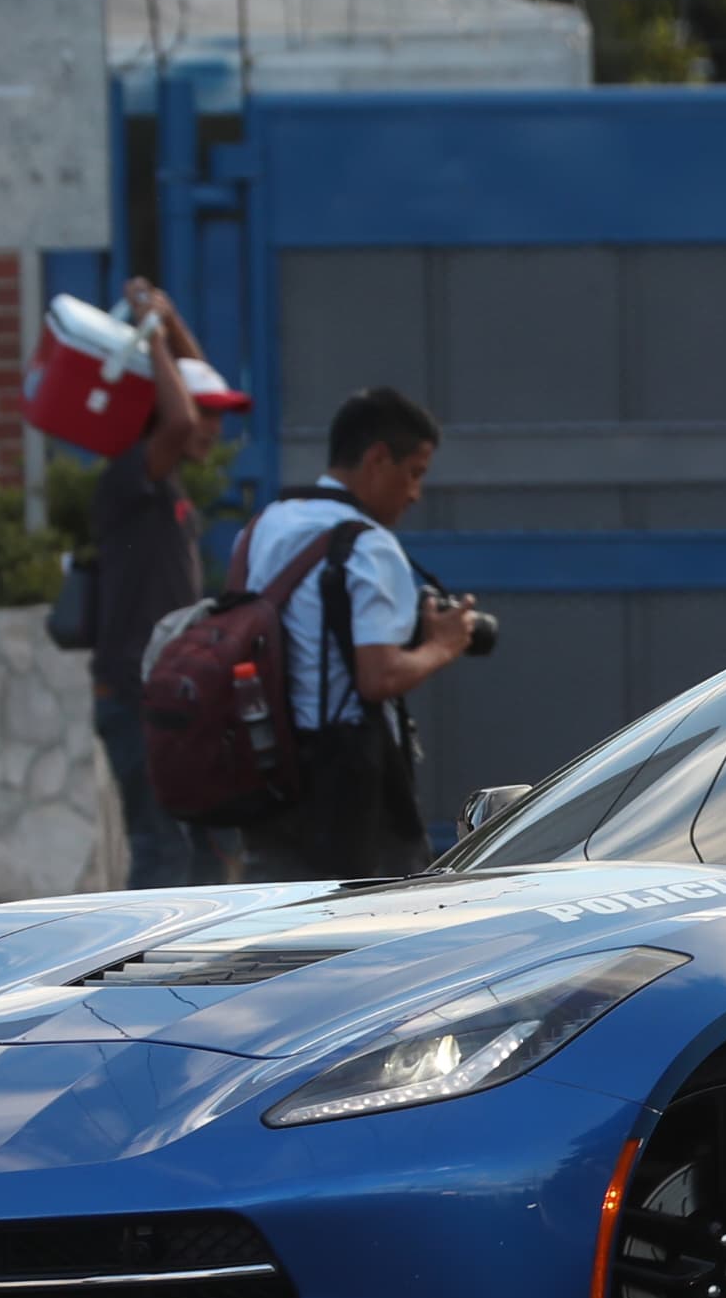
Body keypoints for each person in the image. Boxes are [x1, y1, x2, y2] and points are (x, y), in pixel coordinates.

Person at [235, 386, 478, 883]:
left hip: (262, 769)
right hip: (345, 787)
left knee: (272, 930)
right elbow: (378, 675)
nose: (415, 494)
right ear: (378, 459)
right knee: (368, 933)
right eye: (414, 474)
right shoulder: (369, 546)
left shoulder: (263, 526)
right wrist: (441, 646)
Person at [85, 284, 251, 890]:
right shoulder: (130, 476)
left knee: (207, 847)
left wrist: (173, 320)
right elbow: (179, 417)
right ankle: (137, 976)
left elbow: (191, 395)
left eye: (215, 413)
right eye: (203, 413)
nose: (210, 425)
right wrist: (152, 333)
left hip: (166, 691)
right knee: (161, 849)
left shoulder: (170, 481)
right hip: (132, 692)